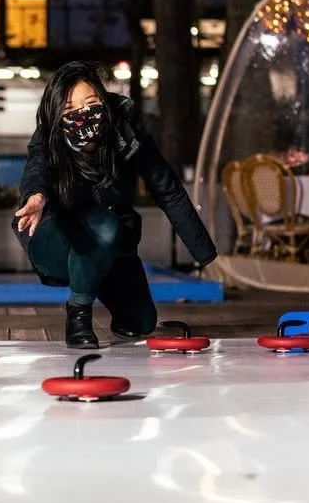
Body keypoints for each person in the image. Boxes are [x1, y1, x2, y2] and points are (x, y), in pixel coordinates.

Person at [12, 61, 217, 349]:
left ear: (104, 102)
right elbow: (37, 172)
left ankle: (102, 282)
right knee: (103, 223)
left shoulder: (127, 135)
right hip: (56, 239)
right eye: (70, 110)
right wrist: (36, 197)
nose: (83, 115)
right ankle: (78, 315)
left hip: (112, 244)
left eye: (91, 103)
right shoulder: (48, 139)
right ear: (57, 115)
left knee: (139, 324)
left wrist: (204, 254)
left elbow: (167, 190)